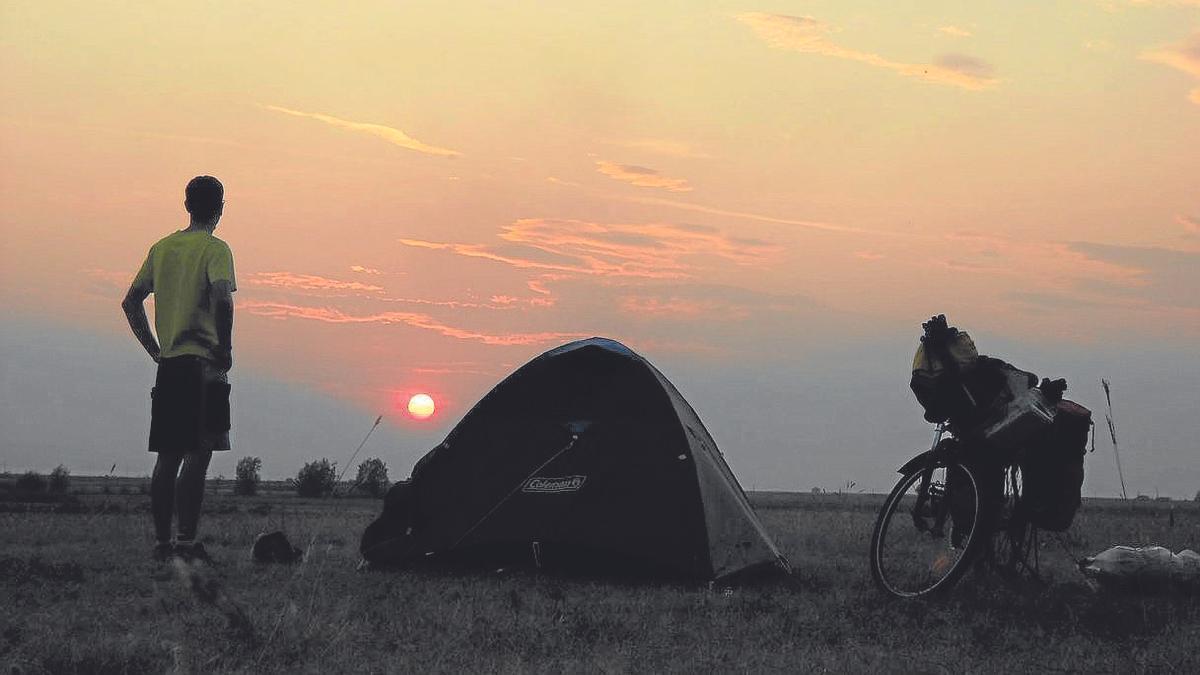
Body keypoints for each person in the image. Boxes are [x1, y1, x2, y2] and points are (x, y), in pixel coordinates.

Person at [122, 175, 236, 563]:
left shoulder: (162, 248)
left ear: (186, 205)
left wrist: (155, 349)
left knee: (167, 456)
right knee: (198, 453)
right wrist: (225, 348)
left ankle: (161, 543)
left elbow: (131, 302)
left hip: (169, 366)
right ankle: (186, 542)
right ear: (220, 208)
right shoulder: (216, 249)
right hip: (204, 365)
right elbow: (222, 300)